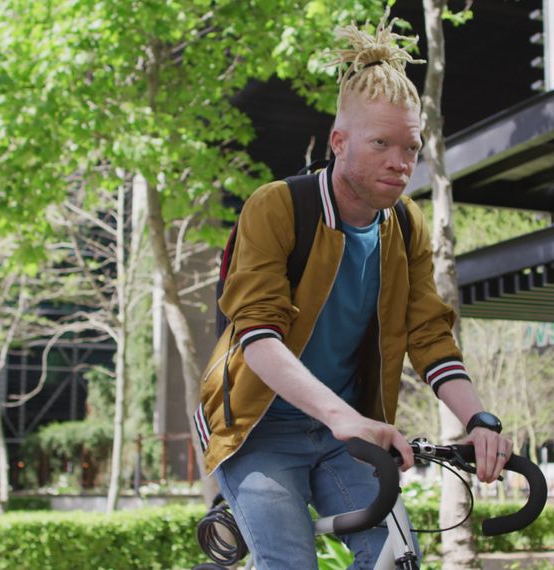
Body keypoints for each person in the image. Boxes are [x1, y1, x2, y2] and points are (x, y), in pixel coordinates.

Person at [196, 15, 515, 569]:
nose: (400, 162)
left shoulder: (408, 226)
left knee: (397, 559)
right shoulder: (277, 207)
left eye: (411, 147)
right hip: (257, 427)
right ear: (339, 142)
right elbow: (259, 336)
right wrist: (342, 415)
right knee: (290, 562)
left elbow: (430, 338)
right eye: (381, 143)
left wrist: (480, 420)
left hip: (347, 430)